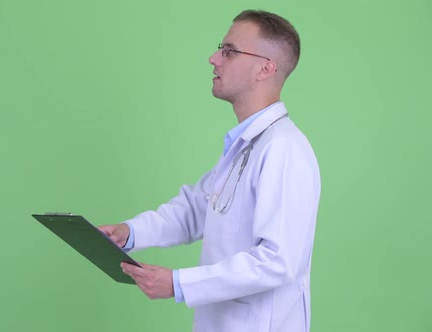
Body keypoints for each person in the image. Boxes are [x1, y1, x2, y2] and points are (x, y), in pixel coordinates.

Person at [98, 9, 320, 332]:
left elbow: (277, 261)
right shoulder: (246, 145)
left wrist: (178, 283)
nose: (214, 58)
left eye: (229, 51)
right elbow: (197, 209)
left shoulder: (283, 149)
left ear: (265, 69)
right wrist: (129, 233)